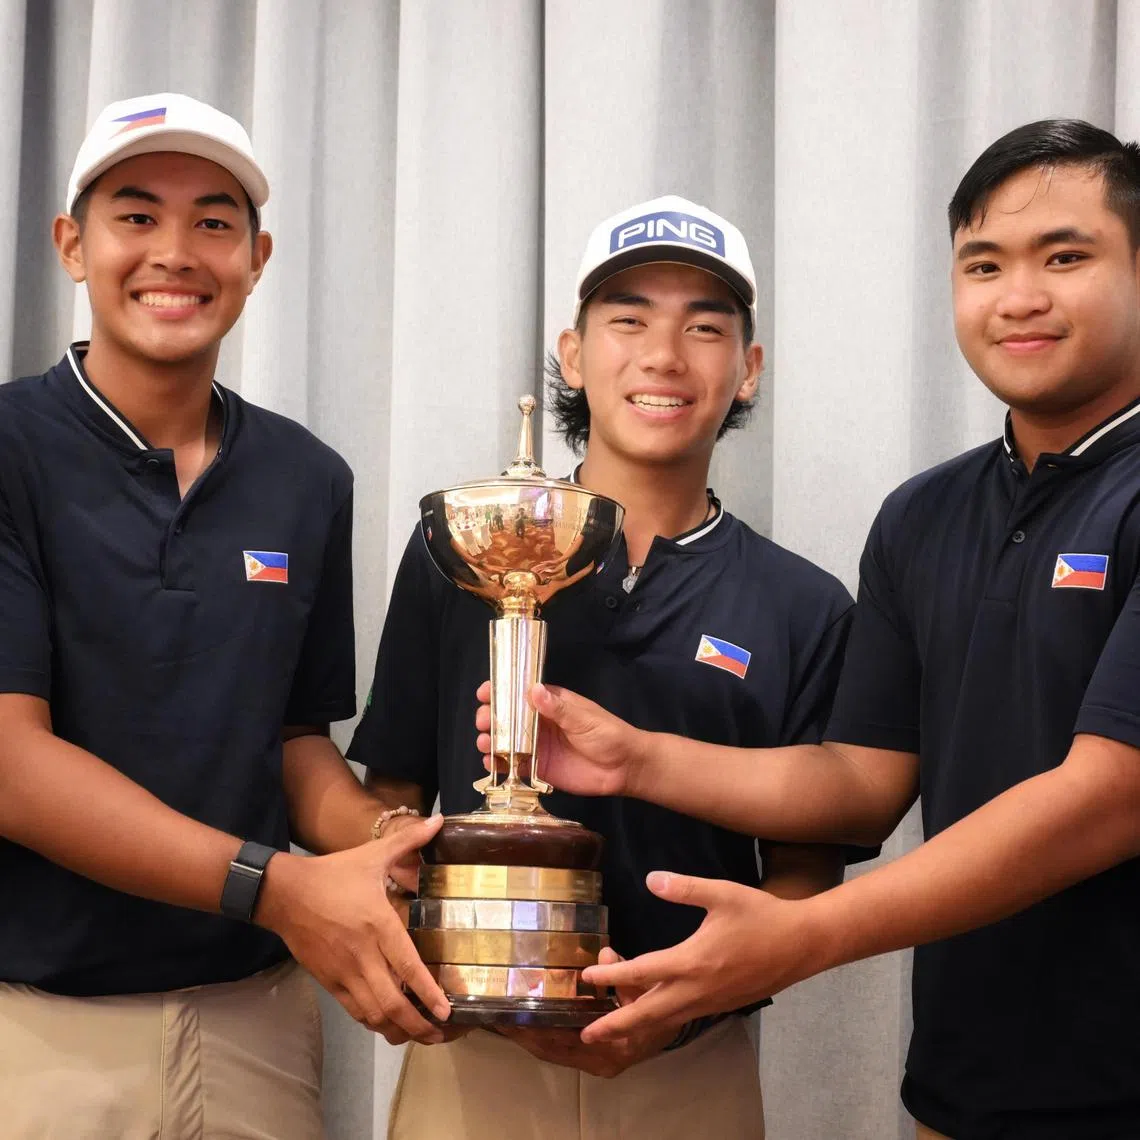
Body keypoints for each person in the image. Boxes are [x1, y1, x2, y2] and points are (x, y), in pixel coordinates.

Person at [484, 122, 1140, 1140]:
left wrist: (802, 936)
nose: (1019, 296)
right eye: (984, 264)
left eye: (1066, 256)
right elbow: (861, 780)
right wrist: (639, 759)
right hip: (964, 1090)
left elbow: (1111, 795)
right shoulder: (924, 516)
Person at [351, 195, 855, 1139]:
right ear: (575, 354)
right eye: (627, 319)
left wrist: (700, 998)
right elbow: (386, 786)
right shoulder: (461, 553)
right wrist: (395, 891)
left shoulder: (804, 604)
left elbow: (805, 873)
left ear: (747, 371)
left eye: (704, 327)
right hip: (470, 1059)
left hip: (692, 1067)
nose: (663, 356)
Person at [0, 92, 448, 1139]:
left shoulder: (306, 478)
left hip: (259, 1021)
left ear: (258, 257)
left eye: (213, 221)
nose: (176, 252)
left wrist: (389, 844)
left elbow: (291, 742)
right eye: (136, 215)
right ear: (72, 245)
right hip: (38, 1026)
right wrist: (283, 887)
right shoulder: (10, 448)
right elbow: (12, 769)